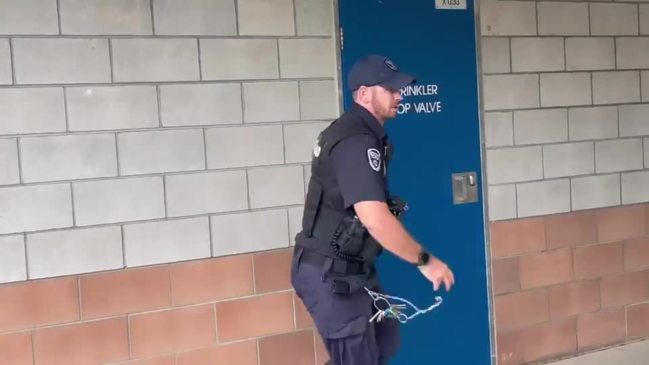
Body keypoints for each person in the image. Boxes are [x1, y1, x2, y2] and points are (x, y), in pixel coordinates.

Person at [290, 54, 455, 365]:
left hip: (353, 269)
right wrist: (425, 261)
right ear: (364, 94)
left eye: (399, 89)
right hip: (329, 274)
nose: (400, 95)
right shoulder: (354, 141)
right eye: (390, 89)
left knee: (384, 338)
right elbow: (376, 219)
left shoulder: (367, 136)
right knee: (360, 357)